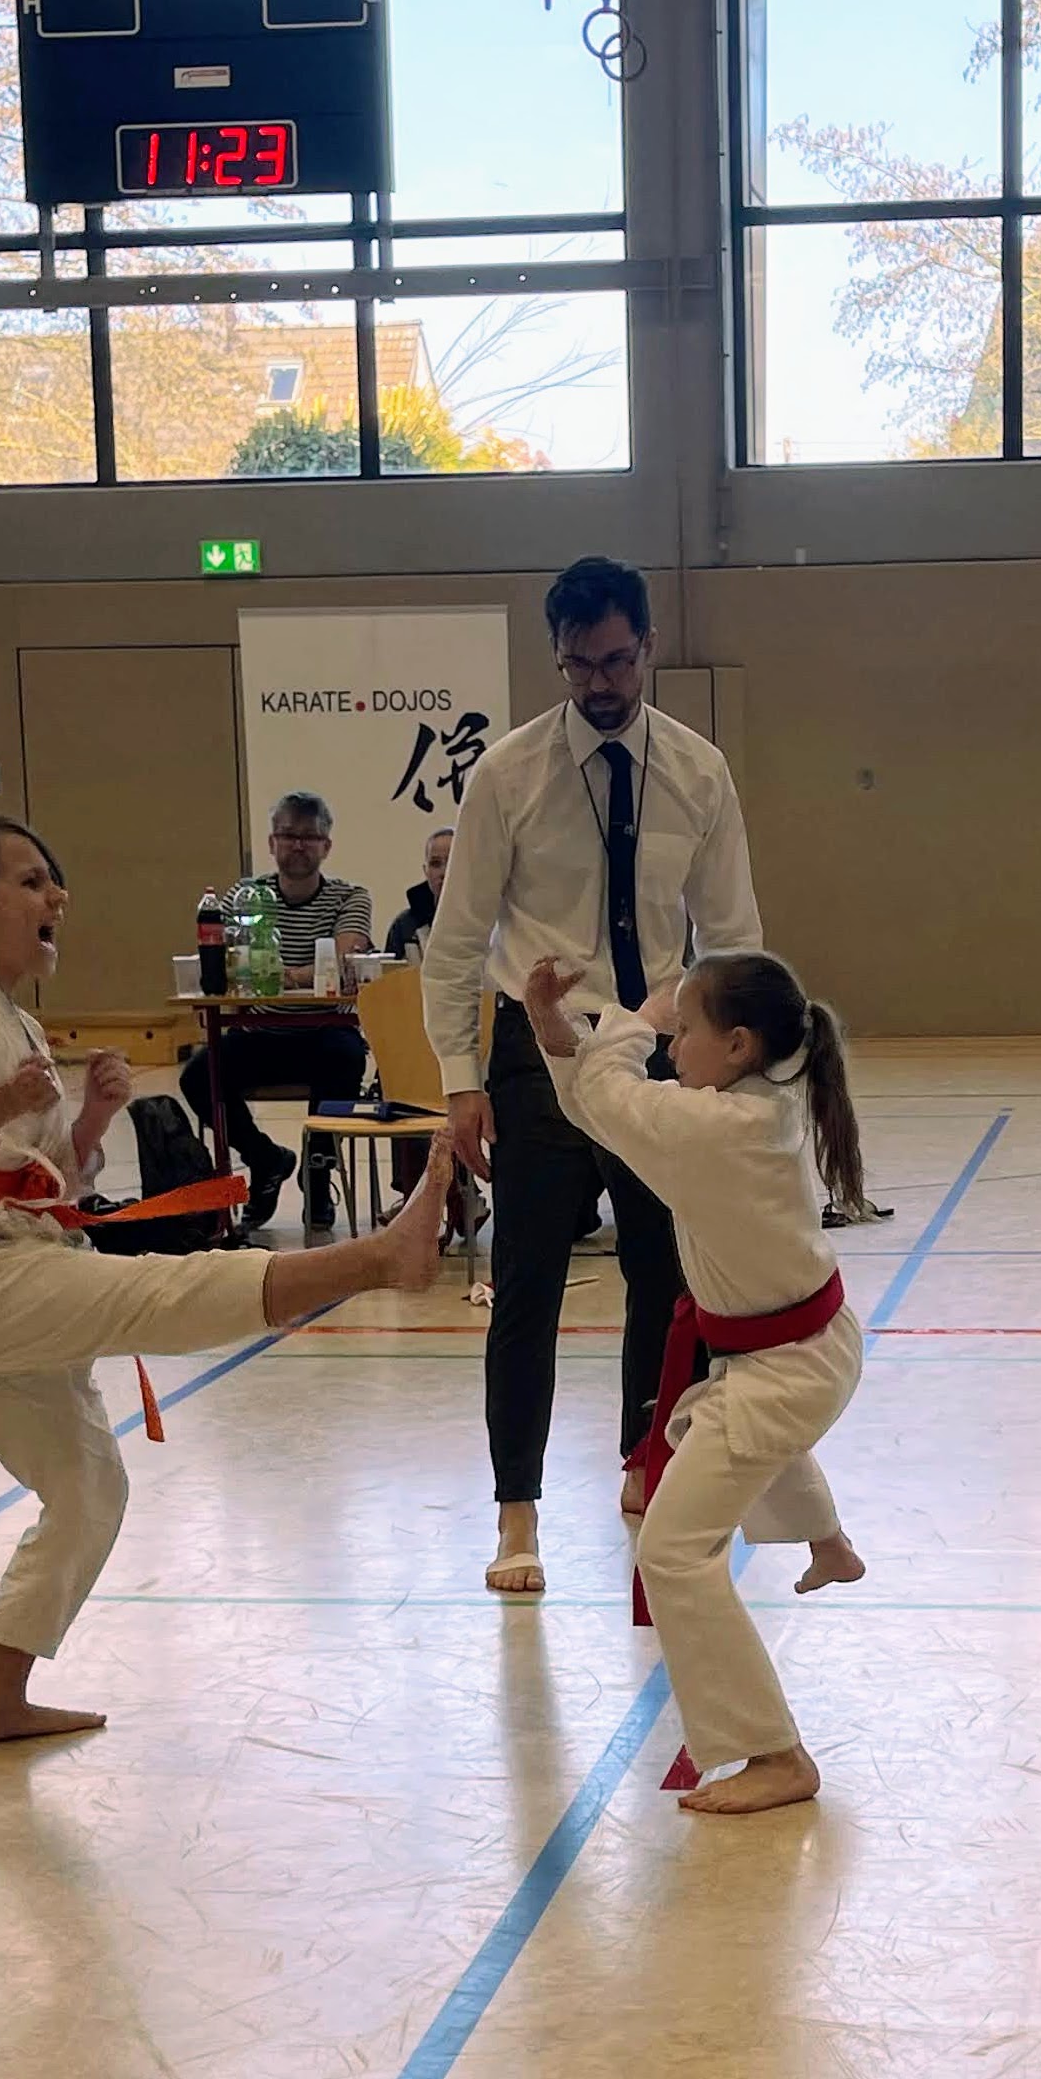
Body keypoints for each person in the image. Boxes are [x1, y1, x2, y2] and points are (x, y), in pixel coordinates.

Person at [0, 815, 450, 1748]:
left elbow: (39, 1171)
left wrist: (90, 1120)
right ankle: (379, 1258)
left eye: (53, 879)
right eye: (31, 881)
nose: (57, 898)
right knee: (157, 1295)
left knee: (89, 1490)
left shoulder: (5, 1013)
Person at [422, 556, 761, 1596]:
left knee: (668, 1275)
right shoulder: (508, 774)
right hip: (542, 1048)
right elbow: (455, 940)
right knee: (525, 1282)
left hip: (657, 1046)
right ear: (557, 657)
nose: (600, 683)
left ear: (648, 646)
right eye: (579, 665)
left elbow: (732, 934)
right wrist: (460, 1080)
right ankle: (516, 1513)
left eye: (617, 660)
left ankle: (645, 1461)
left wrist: (735, 1070)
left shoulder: (698, 771)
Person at [520, 948, 866, 1817]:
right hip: (801, 1348)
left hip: (785, 1366)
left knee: (673, 1550)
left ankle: (775, 1753)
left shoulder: (717, 1129)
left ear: (739, 1044)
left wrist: (631, 1019)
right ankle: (828, 1543)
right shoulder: (760, 1099)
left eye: (685, 1031)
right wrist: (555, 1027)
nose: (672, 1047)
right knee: (721, 1428)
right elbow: (607, 1109)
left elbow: (612, 1097)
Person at [179, 791, 373, 1233]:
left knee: (347, 1059)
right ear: (272, 842)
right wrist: (302, 974)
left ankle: (318, 1173)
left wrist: (278, 974)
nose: (298, 845)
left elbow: (341, 960)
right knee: (198, 1076)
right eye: (288, 835)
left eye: (310, 836)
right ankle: (265, 1158)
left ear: (326, 846)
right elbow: (232, 965)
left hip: (325, 1031)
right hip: (260, 1033)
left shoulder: (350, 897)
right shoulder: (244, 896)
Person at [386, 827, 455, 962]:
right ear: (426, 871)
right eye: (435, 864)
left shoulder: (487, 920)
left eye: (452, 862)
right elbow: (391, 973)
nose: (444, 872)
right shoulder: (404, 925)